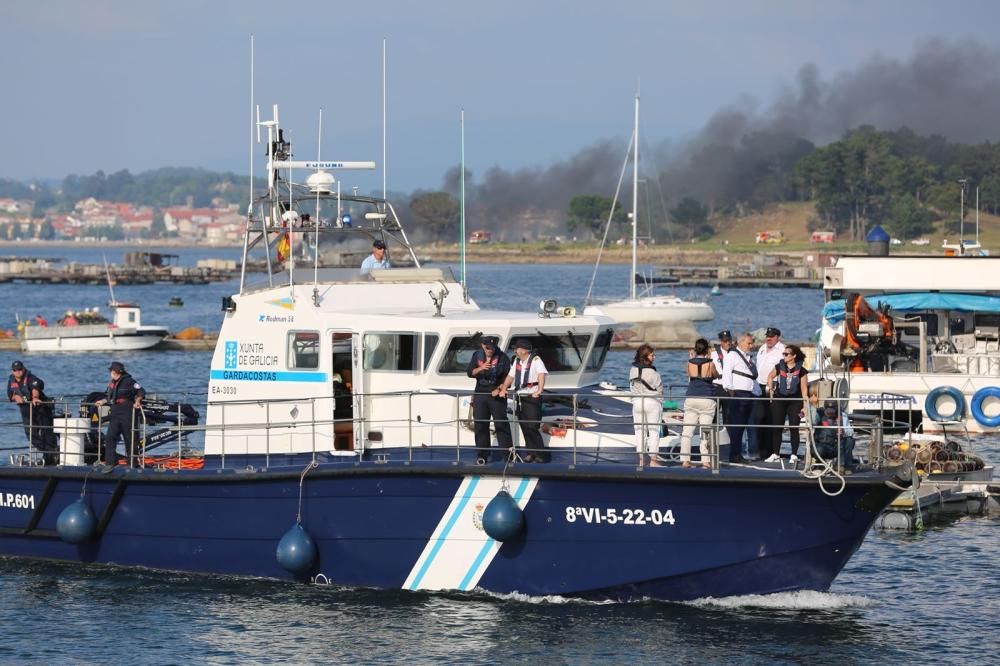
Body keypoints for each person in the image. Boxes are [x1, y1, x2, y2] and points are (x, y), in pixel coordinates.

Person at [466, 336, 513, 464]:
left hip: (496, 394)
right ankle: (482, 455)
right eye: (488, 348)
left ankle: (508, 455)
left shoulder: (502, 357)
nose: (490, 350)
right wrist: (481, 368)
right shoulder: (477, 355)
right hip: (480, 393)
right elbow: (470, 372)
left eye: (492, 348)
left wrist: (500, 388)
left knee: (501, 424)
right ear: (483, 346)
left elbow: (508, 377)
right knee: (480, 425)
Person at [499, 339, 548, 463]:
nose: (515, 351)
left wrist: (539, 390)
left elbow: (541, 375)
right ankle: (530, 453)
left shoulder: (536, 360)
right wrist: (504, 388)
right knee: (524, 426)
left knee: (532, 426)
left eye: (517, 349)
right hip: (520, 397)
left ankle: (541, 454)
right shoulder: (517, 361)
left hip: (532, 396)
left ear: (524, 350)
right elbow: (511, 376)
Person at [6, 360, 58, 465]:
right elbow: (10, 394)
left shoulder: (31, 378)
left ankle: (51, 456)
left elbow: (35, 388)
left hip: (40, 409)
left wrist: (35, 397)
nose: (18, 372)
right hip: (26, 411)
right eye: (15, 370)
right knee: (31, 436)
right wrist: (15, 396)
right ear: (12, 371)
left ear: (23, 369)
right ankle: (51, 453)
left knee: (46, 433)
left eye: (20, 369)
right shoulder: (11, 380)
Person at [95, 361, 145, 467]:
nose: (110, 373)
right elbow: (110, 397)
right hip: (115, 412)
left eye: (111, 371)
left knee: (129, 438)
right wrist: (103, 401)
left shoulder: (129, 381)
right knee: (110, 437)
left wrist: (138, 401)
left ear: (115, 372)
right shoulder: (112, 383)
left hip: (127, 412)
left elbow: (141, 391)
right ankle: (111, 463)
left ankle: (132, 464)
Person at [765, 344, 809, 462]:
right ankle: (775, 453)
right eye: (783, 354)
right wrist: (771, 390)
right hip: (780, 400)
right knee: (777, 426)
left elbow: (804, 389)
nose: (784, 356)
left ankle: (794, 454)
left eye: (786, 354)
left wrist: (805, 406)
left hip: (795, 402)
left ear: (793, 356)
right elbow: (770, 376)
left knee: (794, 427)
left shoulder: (802, 371)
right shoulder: (780, 366)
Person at [680, 338, 719, 469]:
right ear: (707, 350)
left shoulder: (689, 363)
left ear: (695, 350)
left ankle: (685, 460)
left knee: (687, 432)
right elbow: (716, 375)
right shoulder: (710, 364)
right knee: (705, 432)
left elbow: (689, 375)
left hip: (691, 397)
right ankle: (706, 462)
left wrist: (691, 358)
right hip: (707, 398)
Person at [721, 332, 758, 463]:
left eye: (751, 343)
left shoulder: (748, 357)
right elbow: (726, 374)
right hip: (738, 394)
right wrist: (731, 392)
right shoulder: (733, 355)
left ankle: (739, 453)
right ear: (741, 342)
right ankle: (734, 454)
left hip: (749, 393)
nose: (751, 345)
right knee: (736, 426)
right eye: (749, 343)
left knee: (742, 425)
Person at [752, 326, 785, 461]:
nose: (768, 339)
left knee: (772, 418)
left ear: (778, 337)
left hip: (773, 387)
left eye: (771, 336)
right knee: (759, 418)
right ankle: (759, 450)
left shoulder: (782, 350)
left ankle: (771, 451)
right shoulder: (762, 348)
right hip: (759, 386)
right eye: (767, 336)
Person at [628, 344, 664, 467]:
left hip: (637, 403)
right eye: (652, 355)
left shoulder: (632, 370)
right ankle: (653, 460)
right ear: (646, 356)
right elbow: (660, 390)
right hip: (652, 403)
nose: (654, 357)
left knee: (639, 431)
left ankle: (642, 460)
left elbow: (631, 387)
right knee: (654, 431)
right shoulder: (653, 373)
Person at [813, 400, 855, 467]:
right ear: (824, 409)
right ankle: (819, 462)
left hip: (837, 446)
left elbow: (850, 432)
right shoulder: (818, 414)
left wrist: (843, 431)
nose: (830, 413)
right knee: (818, 449)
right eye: (828, 411)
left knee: (850, 440)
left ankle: (843, 465)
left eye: (832, 411)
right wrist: (812, 406)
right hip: (823, 445)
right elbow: (812, 422)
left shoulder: (842, 415)